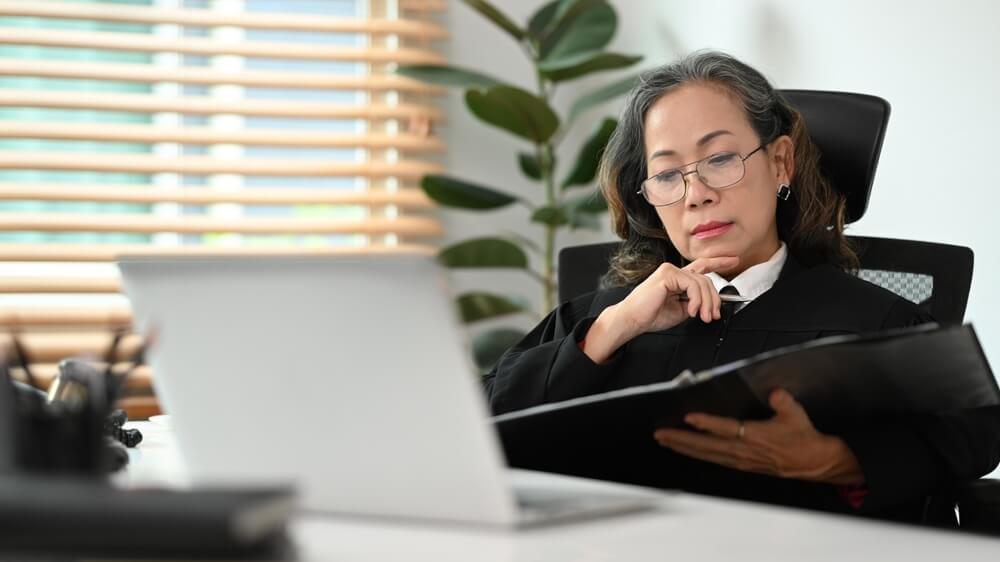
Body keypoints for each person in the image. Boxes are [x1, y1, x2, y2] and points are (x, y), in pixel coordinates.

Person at [483, 50, 1000, 522]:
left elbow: (975, 432)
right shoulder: (601, 318)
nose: (696, 194)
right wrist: (615, 326)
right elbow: (479, 429)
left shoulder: (877, 319)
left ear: (780, 162)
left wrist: (838, 461)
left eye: (720, 159)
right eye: (667, 175)